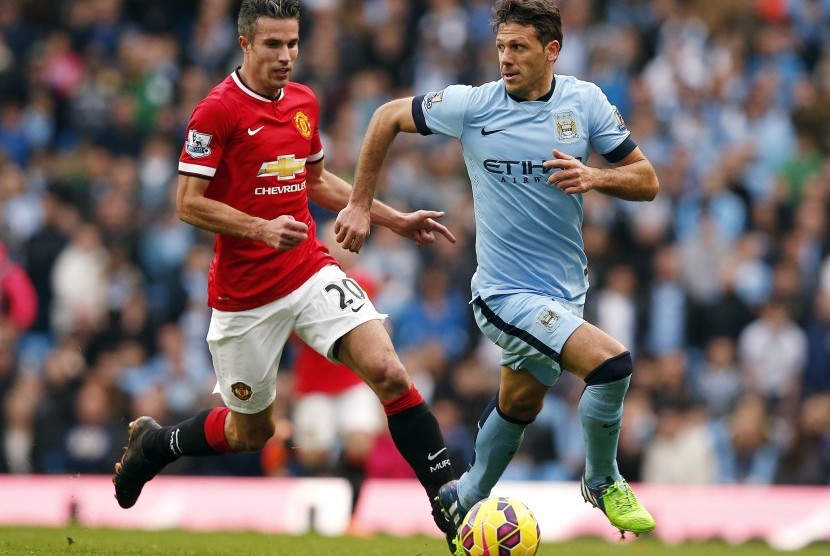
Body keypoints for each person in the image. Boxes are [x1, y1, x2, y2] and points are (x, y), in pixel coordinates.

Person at [112, 0, 457, 546]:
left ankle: (449, 499)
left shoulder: (303, 101)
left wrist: (392, 218)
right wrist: (259, 228)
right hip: (245, 296)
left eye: (293, 43)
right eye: (273, 44)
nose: (286, 56)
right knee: (251, 432)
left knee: (389, 371)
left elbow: (317, 183)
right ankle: (158, 445)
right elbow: (187, 202)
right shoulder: (216, 111)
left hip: (308, 271)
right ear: (246, 44)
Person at [335, 0, 659, 549]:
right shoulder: (472, 105)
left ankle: (462, 501)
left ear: (552, 50)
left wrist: (593, 176)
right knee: (612, 365)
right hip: (502, 294)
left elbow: (647, 179)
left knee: (520, 404)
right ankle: (603, 479)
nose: (505, 59)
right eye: (501, 47)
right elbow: (386, 116)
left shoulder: (585, 103)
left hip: (564, 293)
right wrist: (361, 204)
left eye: (519, 47)